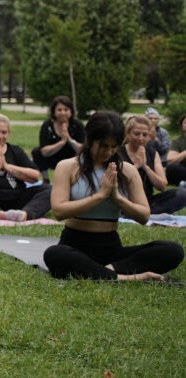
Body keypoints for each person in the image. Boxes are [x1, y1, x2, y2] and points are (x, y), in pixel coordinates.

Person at [43, 111, 184, 281]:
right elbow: (59, 211)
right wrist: (100, 196)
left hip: (111, 249)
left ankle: (105, 272)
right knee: (55, 254)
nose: (108, 152)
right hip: (74, 244)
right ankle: (124, 277)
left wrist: (117, 198)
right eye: (103, 145)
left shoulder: (127, 170)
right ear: (90, 139)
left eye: (113, 146)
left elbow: (143, 216)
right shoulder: (67, 167)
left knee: (172, 250)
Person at [118, 115, 186, 215]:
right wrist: (136, 166)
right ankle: (135, 212)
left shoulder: (153, 153)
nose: (141, 138)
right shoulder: (118, 152)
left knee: (182, 194)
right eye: (136, 134)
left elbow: (162, 186)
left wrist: (146, 167)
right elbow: (118, 185)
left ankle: (143, 212)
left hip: (147, 201)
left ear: (149, 136)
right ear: (128, 134)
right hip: (124, 200)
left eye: (145, 135)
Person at [32, 95, 85, 176]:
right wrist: (62, 142)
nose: (63, 113)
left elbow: (83, 150)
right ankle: (45, 179)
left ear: (71, 112)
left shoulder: (77, 125)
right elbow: (44, 151)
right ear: (54, 112)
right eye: (59, 110)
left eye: (66, 110)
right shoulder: (47, 125)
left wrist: (69, 139)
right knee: (36, 152)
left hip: (71, 158)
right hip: (53, 157)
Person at [165, 111, 186, 188]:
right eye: (185, 123)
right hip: (184, 169)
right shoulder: (177, 141)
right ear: (181, 125)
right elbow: (170, 160)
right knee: (171, 168)